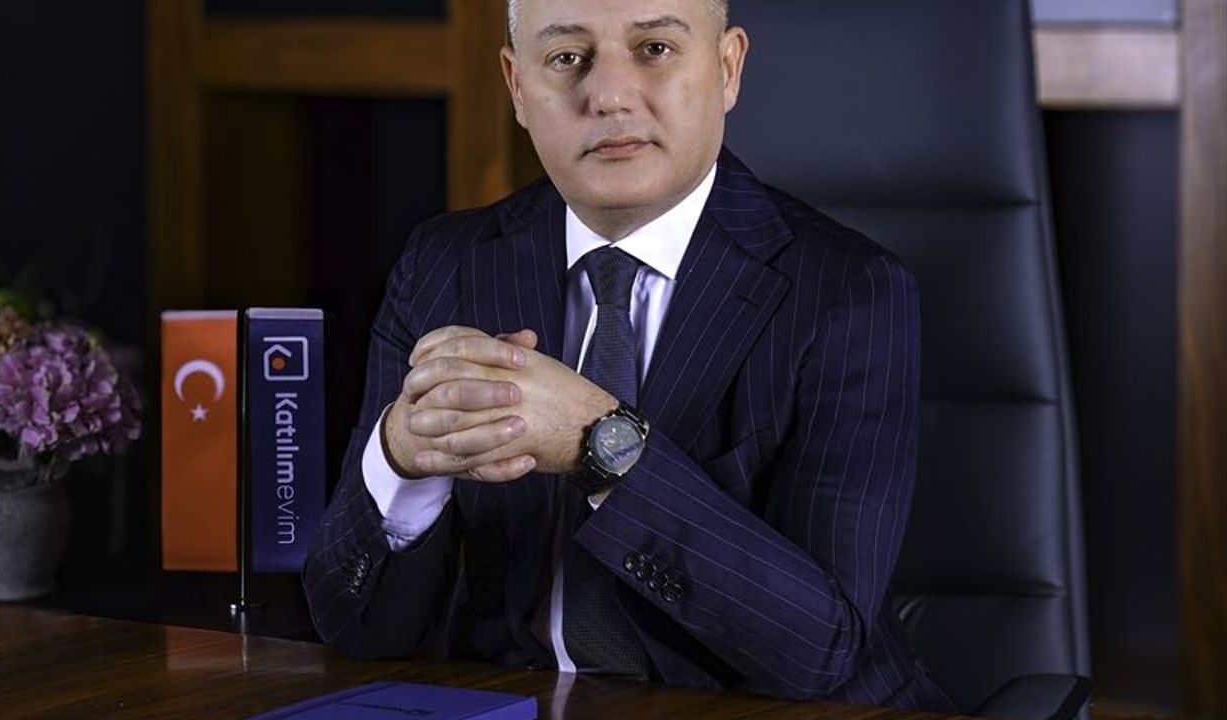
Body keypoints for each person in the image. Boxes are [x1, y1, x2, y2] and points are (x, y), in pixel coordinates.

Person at [303, 0, 955, 711]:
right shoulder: (443, 265)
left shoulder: (849, 290)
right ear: (517, 86)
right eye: (566, 58)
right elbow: (354, 626)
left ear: (728, 68)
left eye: (654, 49)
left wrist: (601, 444)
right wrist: (401, 460)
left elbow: (821, 652)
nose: (609, 95)